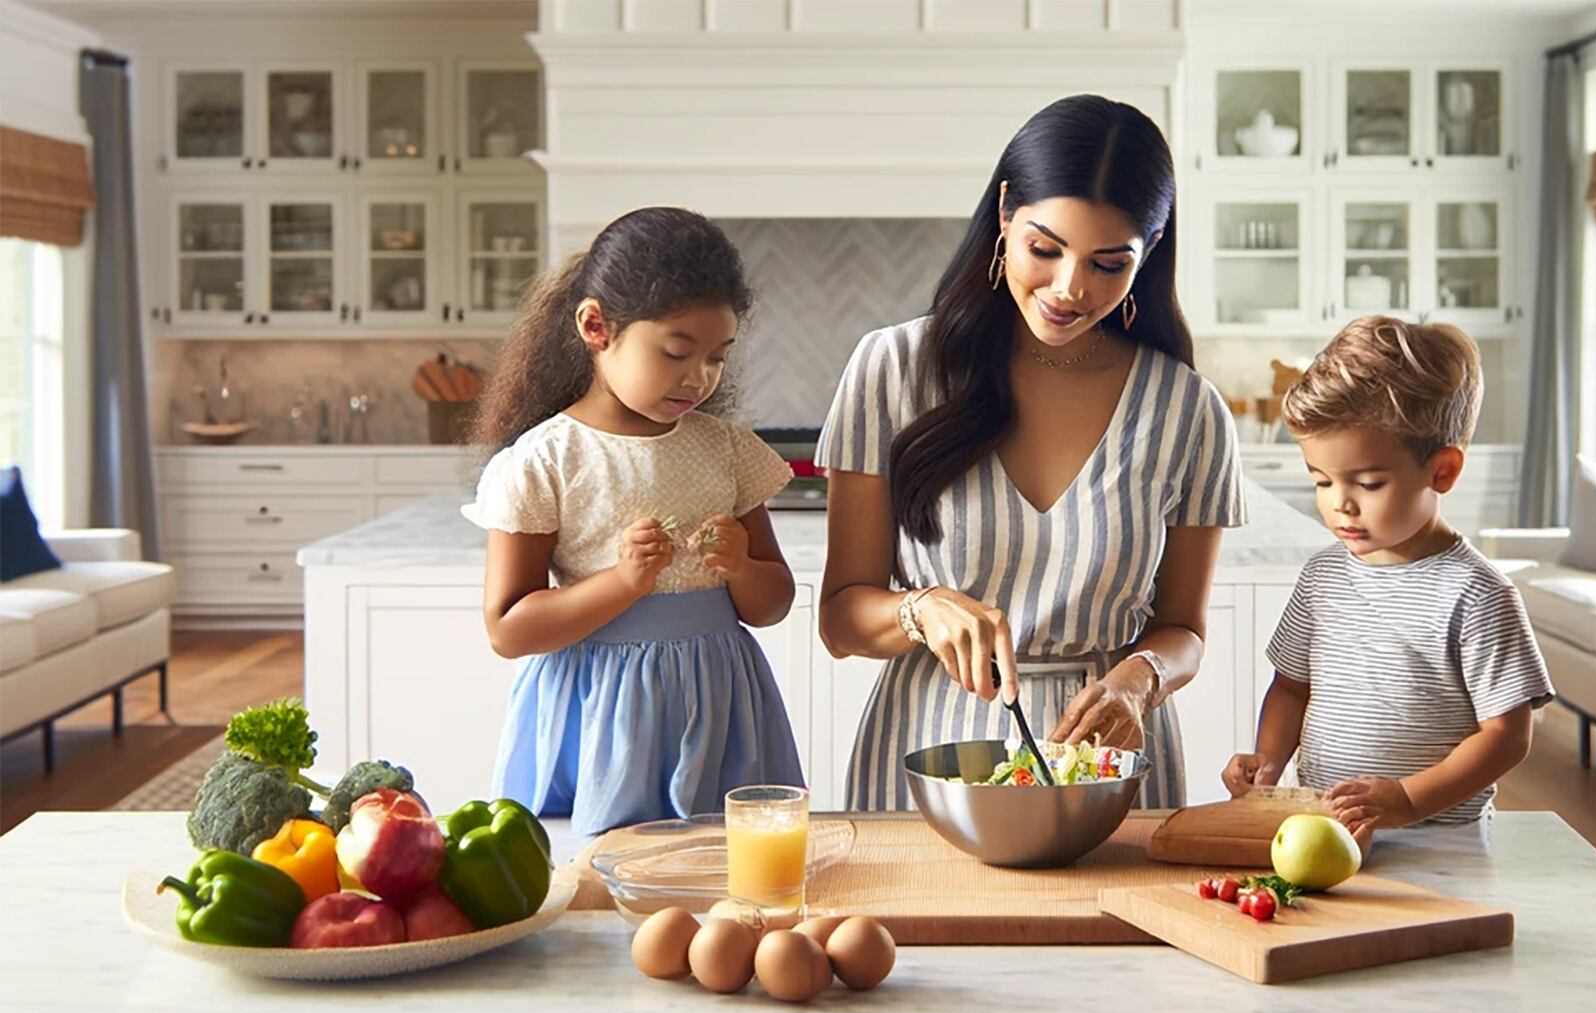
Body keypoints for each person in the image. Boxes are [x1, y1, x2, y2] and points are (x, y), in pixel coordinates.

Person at [817, 95, 1246, 810]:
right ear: (1006, 214)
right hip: (926, 762)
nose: (1070, 289)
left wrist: (1139, 679)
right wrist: (920, 610)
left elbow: (1185, 632)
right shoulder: (892, 369)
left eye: (1109, 264)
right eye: (1045, 250)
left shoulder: (1188, 410)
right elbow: (840, 619)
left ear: (1153, 247)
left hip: (1112, 773)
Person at [464, 207, 804, 835]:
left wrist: (740, 568)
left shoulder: (727, 450)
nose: (699, 378)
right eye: (677, 352)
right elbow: (509, 628)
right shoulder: (546, 461)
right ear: (596, 327)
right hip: (603, 709)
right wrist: (622, 582)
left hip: (721, 700)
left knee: (725, 863)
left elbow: (773, 602)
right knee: (603, 867)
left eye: (717, 358)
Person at [1222, 316, 1553, 844]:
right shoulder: (1322, 576)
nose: (1339, 504)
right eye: (1322, 480)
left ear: (1442, 471)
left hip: (1441, 838)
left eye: (1368, 483)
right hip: (1325, 829)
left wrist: (1408, 800)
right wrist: (1267, 761)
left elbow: (1508, 737)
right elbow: (1290, 687)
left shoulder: (1478, 594)